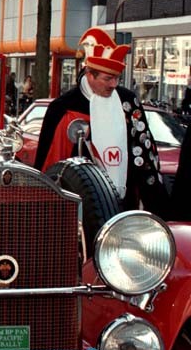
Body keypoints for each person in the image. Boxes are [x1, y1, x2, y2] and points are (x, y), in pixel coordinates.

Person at [34, 27, 174, 219]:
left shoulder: (127, 102)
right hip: (79, 207)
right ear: (90, 74)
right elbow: (48, 162)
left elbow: (145, 157)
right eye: (108, 78)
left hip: (125, 206)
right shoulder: (63, 107)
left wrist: (159, 210)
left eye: (117, 78)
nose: (114, 85)